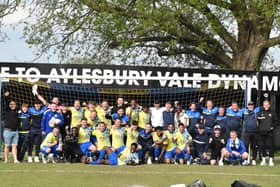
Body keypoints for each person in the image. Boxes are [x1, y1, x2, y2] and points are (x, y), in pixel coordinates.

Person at [257, 100, 278, 166]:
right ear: (263, 105)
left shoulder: (273, 113)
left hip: (270, 132)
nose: (266, 106)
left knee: (270, 146)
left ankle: (271, 160)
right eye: (264, 104)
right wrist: (260, 128)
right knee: (262, 146)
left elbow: (276, 121)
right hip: (262, 132)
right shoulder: (260, 113)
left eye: (267, 104)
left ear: (269, 105)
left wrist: (272, 127)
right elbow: (258, 122)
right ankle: (263, 160)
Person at [3, 92, 20, 163]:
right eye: (11, 104)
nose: (12, 105)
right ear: (9, 105)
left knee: (14, 146)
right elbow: (7, 103)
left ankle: (15, 160)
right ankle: (6, 160)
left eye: (14, 104)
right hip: (8, 131)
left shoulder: (17, 111)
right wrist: (6, 97)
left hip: (15, 132)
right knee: (7, 146)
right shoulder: (7, 110)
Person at [242, 101, 260, 166]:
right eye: (249, 104)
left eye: (251, 104)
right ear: (247, 105)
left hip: (254, 132)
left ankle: (254, 160)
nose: (250, 106)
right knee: (246, 146)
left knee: (254, 146)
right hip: (247, 132)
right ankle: (246, 160)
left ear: (253, 105)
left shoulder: (256, 111)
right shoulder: (244, 111)